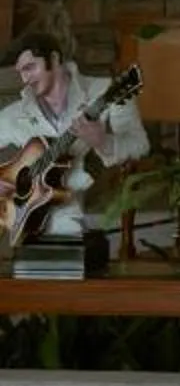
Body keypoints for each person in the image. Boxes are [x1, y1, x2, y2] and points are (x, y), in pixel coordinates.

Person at [1, 29, 150, 241]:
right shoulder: (15, 114)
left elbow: (140, 145)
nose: (25, 79)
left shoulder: (104, 92)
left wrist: (102, 141)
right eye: (21, 72)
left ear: (54, 59)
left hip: (86, 213)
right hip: (29, 219)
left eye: (30, 68)